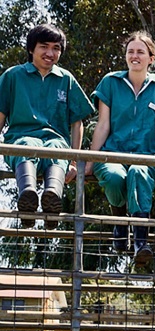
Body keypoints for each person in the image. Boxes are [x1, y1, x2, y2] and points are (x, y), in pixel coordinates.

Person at [89, 31, 155, 266]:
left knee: (138, 172)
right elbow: (103, 124)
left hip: (148, 155)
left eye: (141, 52)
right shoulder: (111, 82)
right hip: (114, 152)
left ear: (151, 58)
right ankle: (120, 223)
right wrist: (89, 162)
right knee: (114, 176)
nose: (135, 56)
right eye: (131, 51)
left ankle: (141, 240)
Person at [0, 24, 95, 229]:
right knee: (26, 146)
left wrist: (74, 161)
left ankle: (52, 198)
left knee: (57, 149)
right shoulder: (13, 76)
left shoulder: (66, 79)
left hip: (55, 140)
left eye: (56, 48)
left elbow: (77, 123)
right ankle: (28, 197)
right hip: (21, 136)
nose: (50, 53)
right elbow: (0, 114)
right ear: (31, 49)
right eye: (44, 46)